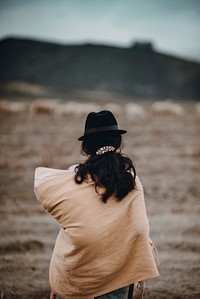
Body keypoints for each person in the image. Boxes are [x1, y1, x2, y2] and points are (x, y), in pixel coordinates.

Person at [34, 110, 159, 299]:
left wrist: (74, 171)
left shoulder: (72, 180)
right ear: (118, 143)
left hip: (74, 281)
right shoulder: (130, 180)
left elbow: (42, 184)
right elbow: (140, 229)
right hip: (119, 279)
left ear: (86, 148)